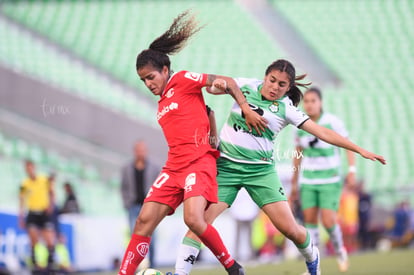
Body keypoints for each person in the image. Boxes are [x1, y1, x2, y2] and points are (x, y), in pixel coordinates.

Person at [174, 59, 386, 275]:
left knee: (290, 229)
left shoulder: (286, 108)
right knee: (199, 224)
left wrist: (359, 149)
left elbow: (323, 132)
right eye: (272, 80)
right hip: (226, 169)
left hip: (260, 173)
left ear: (288, 87)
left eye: (282, 84)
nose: (275, 87)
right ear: (265, 77)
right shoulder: (245, 86)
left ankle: (312, 256)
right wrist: (216, 86)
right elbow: (211, 87)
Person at [116, 10, 266, 275]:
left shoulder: (183, 79)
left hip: (199, 162)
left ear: (165, 70)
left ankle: (232, 267)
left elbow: (228, 82)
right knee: (142, 221)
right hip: (173, 167)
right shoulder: (162, 102)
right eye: (143, 80)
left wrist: (245, 108)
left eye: (151, 77)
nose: (148, 84)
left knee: (193, 218)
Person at [290, 87, 359, 272]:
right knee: (310, 224)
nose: (310, 104)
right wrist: (294, 182)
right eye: (307, 101)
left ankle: (339, 249)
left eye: (313, 101)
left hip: (330, 179)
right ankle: (314, 266)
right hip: (308, 181)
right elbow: (298, 154)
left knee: (328, 222)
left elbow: (348, 146)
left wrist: (352, 170)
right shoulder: (299, 125)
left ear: (320, 103)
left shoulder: (333, 122)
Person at [120, 140, 160, 267]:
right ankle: (134, 266)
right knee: (135, 238)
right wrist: (127, 203)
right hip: (134, 207)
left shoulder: (153, 167)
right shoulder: (127, 168)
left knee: (151, 238)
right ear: (135, 151)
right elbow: (123, 187)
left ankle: (152, 266)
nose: (140, 153)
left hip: (150, 207)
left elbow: (158, 186)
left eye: (142, 150)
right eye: (138, 150)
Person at [19, 160, 56, 272]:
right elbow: (21, 200)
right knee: (33, 240)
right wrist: (20, 216)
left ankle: (50, 266)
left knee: (49, 240)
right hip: (32, 213)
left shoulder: (44, 179)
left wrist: (51, 205)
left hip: (44, 213)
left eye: (30, 167)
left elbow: (52, 192)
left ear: (34, 167)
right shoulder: (24, 184)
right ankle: (35, 266)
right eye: (27, 168)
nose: (29, 170)